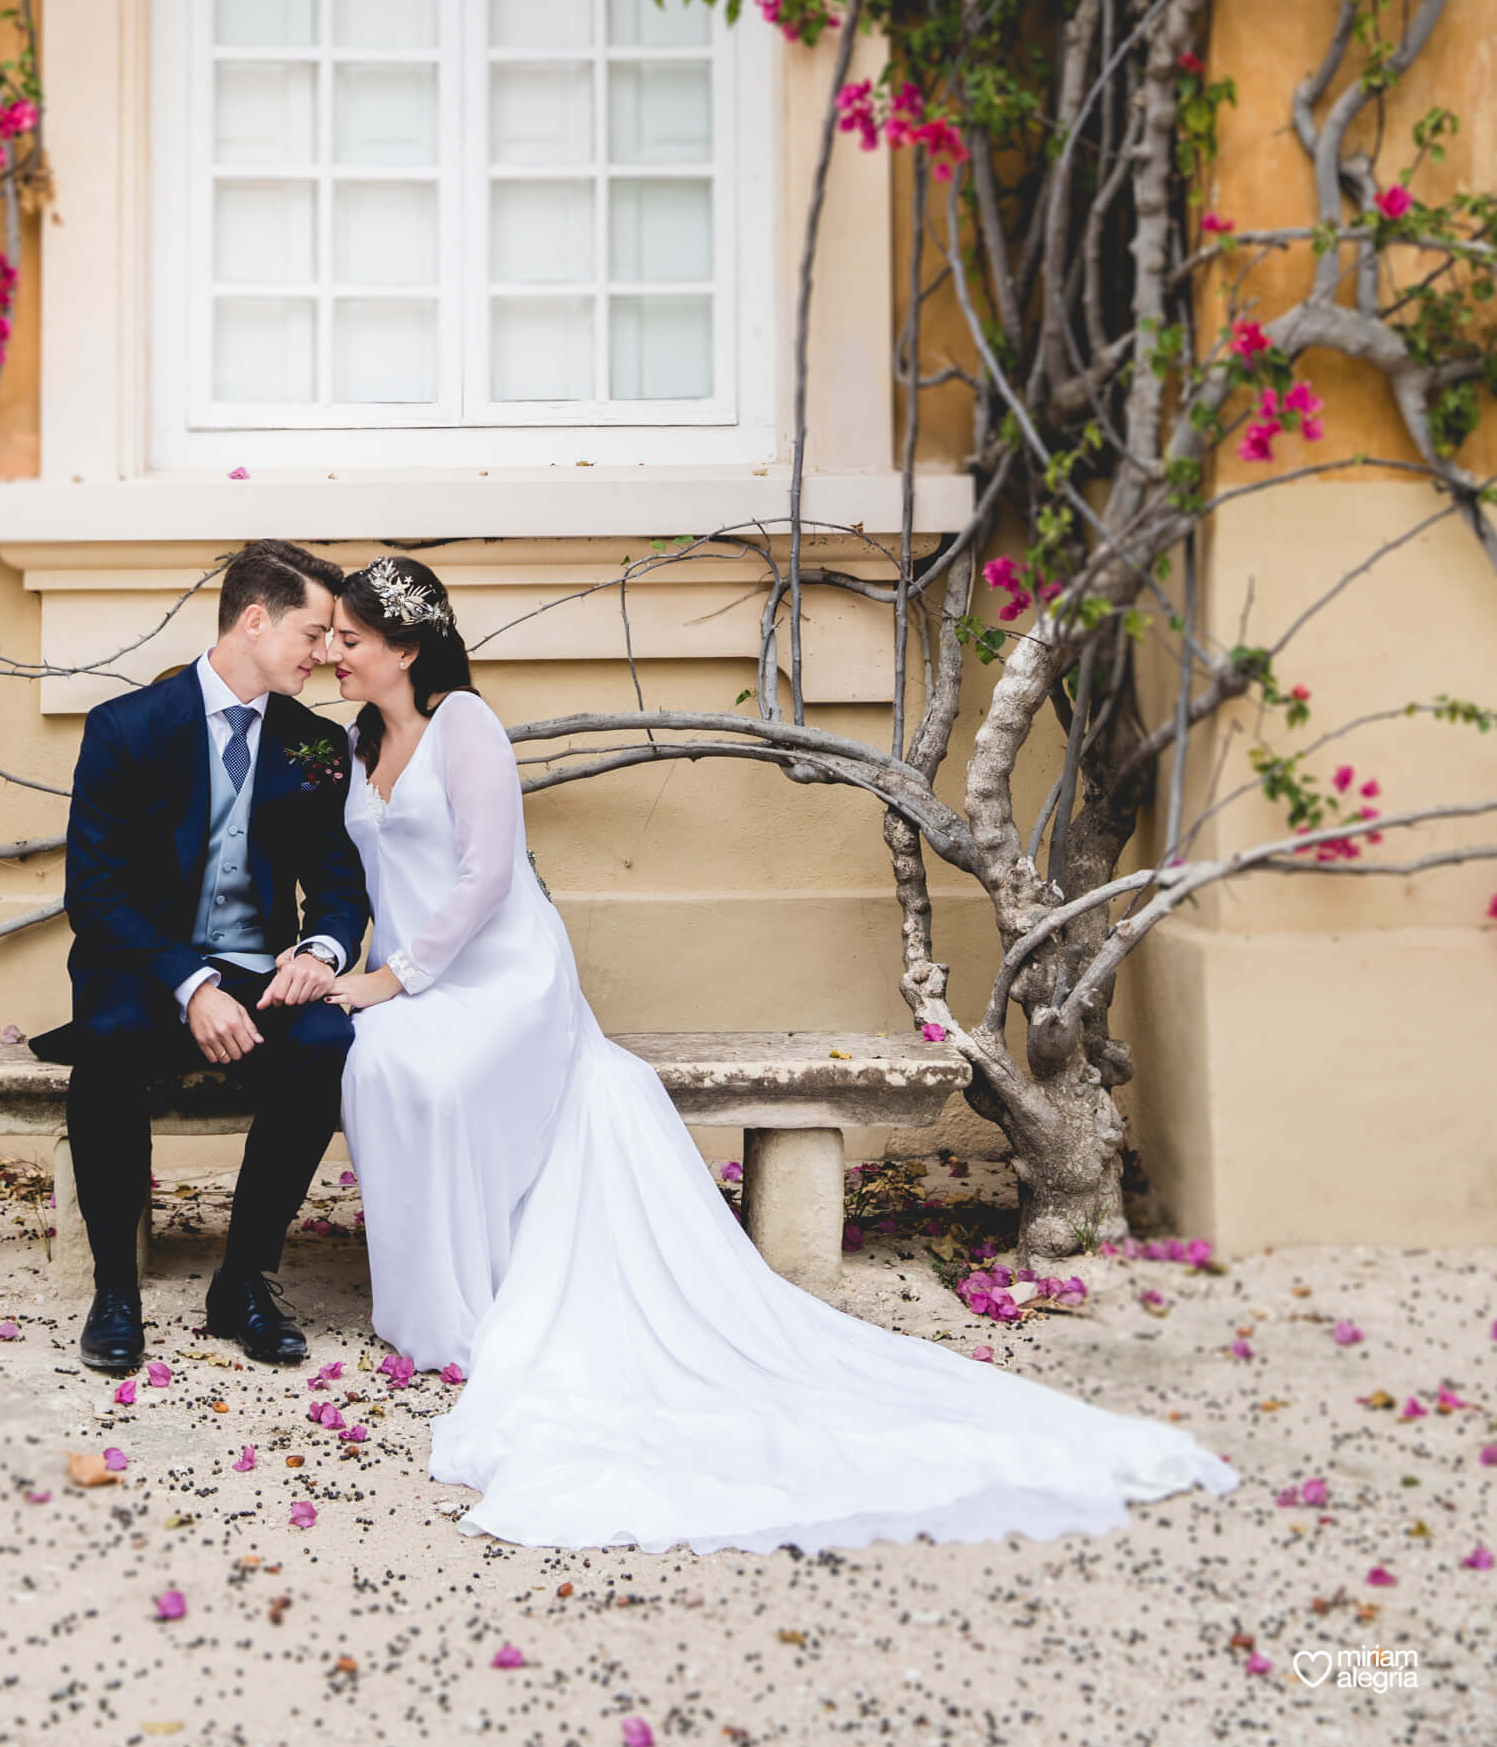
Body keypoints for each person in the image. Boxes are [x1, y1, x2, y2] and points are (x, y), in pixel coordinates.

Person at [324, 554, 1241, 1555]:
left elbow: (487, 875)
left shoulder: (467, 727)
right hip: (412, 974)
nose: (331, 652)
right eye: (327, 637)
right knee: (378, 1066)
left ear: (405, 649)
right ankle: (434, 1297)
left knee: (424, 1067)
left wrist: (398, 974)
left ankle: (473, 1299)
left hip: (501, 978)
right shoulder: (358, 736)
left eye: (349, 639)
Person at [31, 538, 368, 1376]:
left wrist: (321, 951)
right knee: (108, 1039)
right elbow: (96, 898)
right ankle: (116, 1292)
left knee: (325, 1042)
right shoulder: (126, 729)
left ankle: (243, 1282)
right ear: (254, 621)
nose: (326, 654)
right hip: (147, 970)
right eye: (314, 633)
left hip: (264, 976)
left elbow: (339, 886)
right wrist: (192, 985)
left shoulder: (313, 744)